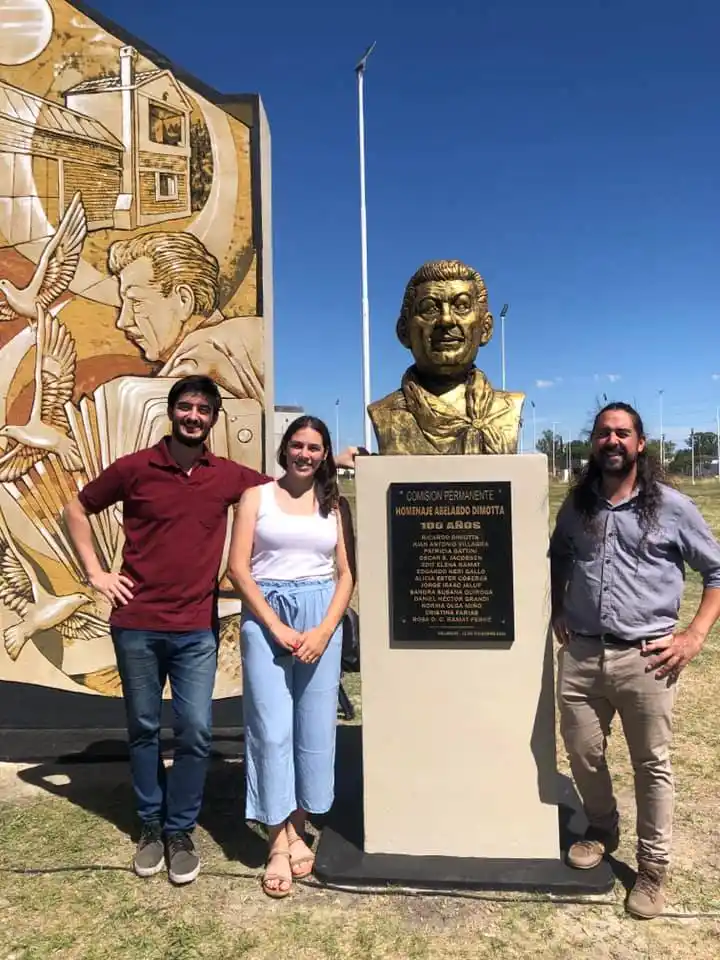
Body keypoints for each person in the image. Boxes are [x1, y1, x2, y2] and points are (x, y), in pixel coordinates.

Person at [63, 374, 272, 885]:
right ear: (172, 412)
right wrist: (96, 573)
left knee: (197, 731)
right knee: (144, 730)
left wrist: (337, 461)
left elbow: (285, 485)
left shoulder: (226, 476)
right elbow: (76, 508)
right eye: (186, 407)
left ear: (213, 419)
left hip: (196, 629)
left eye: (203, 409)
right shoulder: (136, 468)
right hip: (136, 626)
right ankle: (151, 827)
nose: (194, 416)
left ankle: (180, 830)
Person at [550, 402, 720, 919]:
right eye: (604, 433)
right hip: (581, 655)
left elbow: (716, 573)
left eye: (623, 433)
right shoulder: (576, 505)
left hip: (647, 659)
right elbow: (558, 553)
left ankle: (652, 867)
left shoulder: (671, 506)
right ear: (593, 442)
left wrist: (693, 636)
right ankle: (602, 825)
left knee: (652, 766)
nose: (613, 441)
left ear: (640, 444)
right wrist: (559, 605)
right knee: (582, 753)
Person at [228, 415, 355, 898]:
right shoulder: (256, 497)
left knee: (314, 727)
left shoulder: (333, 504)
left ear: (324, 454)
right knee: (271, 726)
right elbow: (238, 568)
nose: (305, 454)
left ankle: (299, 824)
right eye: (298, 445)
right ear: (285, 449)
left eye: (315, 447)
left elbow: (345, 574)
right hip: (267, 615)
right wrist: (275, 625)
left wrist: (324, 631)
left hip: (320, 613)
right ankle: (276, 840)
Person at [366, 259, 524, 455]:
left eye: (462, 306)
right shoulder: (384, 413)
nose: (446, 320)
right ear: (404, 332)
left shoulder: (509, 408)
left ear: (486, 328)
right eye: (430, 308)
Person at [108, 232, 264, 402]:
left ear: (184, 300)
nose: (123, 322)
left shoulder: (194, 367)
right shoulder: (250, 333)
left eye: (136, 302)